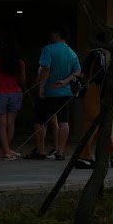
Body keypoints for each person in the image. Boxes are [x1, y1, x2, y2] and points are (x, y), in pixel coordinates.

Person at [74, 32, 113, 169]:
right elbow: (88, 75)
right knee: (94, 125)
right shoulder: (98, 54)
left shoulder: (103, 55)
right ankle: (84, 156)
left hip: (99, 93)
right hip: (95, 92)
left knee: (100, 126)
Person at [32, 26, 80, 161]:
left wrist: (40, 87)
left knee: (40, 121)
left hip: (50, 91)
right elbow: (77, 71)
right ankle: (60, 151)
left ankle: (41, 150)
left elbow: (45, 69)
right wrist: (65, 81)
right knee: (64, 121)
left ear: (57, 34)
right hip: (66, 92)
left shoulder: (48, 49)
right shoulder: (72, 52)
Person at [0, 38, 25, 160]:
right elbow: (23, 80)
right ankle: (6, 149)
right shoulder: (19, 63)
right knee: (10, 123)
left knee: (2, 124)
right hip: (15, 92)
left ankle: (6, 151)